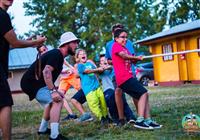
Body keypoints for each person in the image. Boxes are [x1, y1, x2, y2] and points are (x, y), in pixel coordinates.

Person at [0, 1, 46, 139]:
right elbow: (14, 42)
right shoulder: (2, 15)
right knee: (5, 103)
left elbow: (8, 44)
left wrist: (27, 42)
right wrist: (36, 42)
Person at [21, 32, 79, 139]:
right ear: (67, 44)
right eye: (75, 42)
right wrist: (53, 91)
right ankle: (54, 136)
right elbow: (46, 72)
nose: (77, 45)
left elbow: (48, 73)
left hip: (33, 83)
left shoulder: (59, 56)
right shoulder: (57, 54)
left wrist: (54, 91)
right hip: (33, 84)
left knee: (53, 100)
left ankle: (42, 130)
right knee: (57, 100)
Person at [111, 28, 162, 130]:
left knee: (144, 95)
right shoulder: (116, 46)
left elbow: (132, 61)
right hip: (123, 78)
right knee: (144, 93)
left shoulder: (125, 48)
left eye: (126, 37)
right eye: (122, 37)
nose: (125, 39)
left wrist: (138, 58)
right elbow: (124, 56)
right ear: (116, 38)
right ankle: (140, 120)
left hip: (128, 76)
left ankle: (148, 120)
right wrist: (134, 58)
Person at [105, 23, 137, 125]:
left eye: (121, 31)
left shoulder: (129, 42)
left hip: (130, 71)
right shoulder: (109, 44)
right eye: (116, 32)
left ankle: (140, 117)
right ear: (113, 34)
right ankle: (121, 119)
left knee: (136, 93)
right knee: (118, 92)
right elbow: (108, 60)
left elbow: (131, 56)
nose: (121, 36)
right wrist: (116, 60)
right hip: (117, 72)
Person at [99, 54, 135, 124]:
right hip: (107, 90)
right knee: (111, 98)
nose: (104, 61)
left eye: (105, 59)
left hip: (116, 88)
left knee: (121, 97)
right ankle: (116, 119)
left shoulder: (113, 67)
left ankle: (130, 117)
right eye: (102, 61)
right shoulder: (100, 71)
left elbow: (110, 67)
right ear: (100, 64)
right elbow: (99, 71)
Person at [76, 49, 109, 125]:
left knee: (103, 102)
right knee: (94, 104)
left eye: (84, 53)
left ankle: (106, 116)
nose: (83, 54)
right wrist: (97, 69)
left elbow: (98, 71)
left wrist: (104, 67)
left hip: (97, 86)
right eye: (81, 54)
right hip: (89, 89)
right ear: (78, 57)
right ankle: (101, 117)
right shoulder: (80, 66)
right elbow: (87, 71)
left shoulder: (90, 63)